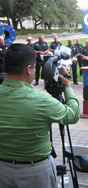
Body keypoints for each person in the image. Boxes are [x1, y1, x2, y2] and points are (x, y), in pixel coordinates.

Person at [0, 43, 80, 188]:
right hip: (35, 173)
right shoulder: (42, 100)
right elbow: (73, 115)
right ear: (29, 69)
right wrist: (68, 87)